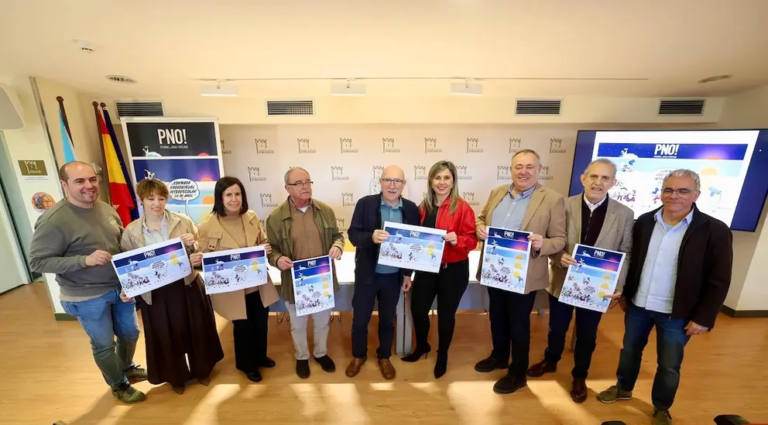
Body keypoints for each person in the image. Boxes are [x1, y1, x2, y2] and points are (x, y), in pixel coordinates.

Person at [598, 169, 733, 425]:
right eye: (668, 189)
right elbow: (633, 261)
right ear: (661, 193)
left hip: (677, 313)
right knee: (629, 352)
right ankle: (623, 388)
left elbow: (719, 280)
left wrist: (703, 317)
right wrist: (626, 293)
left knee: (669, 365)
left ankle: (661, 407)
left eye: (682, 190)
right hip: (639, 305)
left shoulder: (714, 230)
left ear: (696, 195)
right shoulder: (645, 222)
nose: (674, 196)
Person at [28, 161, 147, 403]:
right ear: (64, 185)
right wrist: (84, 260)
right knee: (104, 345)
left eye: (92, 179)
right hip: (86, 296)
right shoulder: (53, 221)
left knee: (131, 334)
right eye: (79, 181)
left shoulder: (105, 208)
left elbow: (120, 243)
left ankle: (126, 368)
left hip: (120, 289)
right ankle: (118, 384)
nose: (89, 186)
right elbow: (38, 263)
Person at [526, 159, 634, 403]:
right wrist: (557, 255)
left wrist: (618, 284)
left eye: (605, 178)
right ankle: (551, 360)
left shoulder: (625, 214)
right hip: (563, 279)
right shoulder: (562, 204)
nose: (598, 182)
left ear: (613, 182)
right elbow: (550, 239)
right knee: (557, 328)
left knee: (587, 334)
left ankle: (579, 375)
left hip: (597, 287)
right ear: (583, 178)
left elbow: (626, 251)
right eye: (594, 176)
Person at [473, 149, 567, 394]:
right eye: (518, 167)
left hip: (523, 275)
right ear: (511, 169)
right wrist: (480, 228)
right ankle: (500, 356)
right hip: (495, 270)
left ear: (539, 169)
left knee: (518, 325)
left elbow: (559, 239)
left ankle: (518, 373)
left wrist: (541, 244)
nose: (523, 172)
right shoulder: (497, 193)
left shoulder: (553, 199)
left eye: (529, 167)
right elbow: (481, 218)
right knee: (497, 318)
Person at [119, 178, 223, 394]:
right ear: (142, 200)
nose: (156, 203)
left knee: (197, 330)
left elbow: (199, 251)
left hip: (187, 285)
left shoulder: (182, 220)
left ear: (167, 199)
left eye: (161, 198)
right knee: (166, 335)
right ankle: (176, 378)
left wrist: (193, 245)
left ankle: (202, 371)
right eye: (151, 199)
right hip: (156, 293)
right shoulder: (131, 231)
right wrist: (127, 287)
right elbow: (129, 265)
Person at [197, 176, 280, 383]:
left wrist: (266, 248)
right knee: (242, 328)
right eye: (228, 195)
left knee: (261, 323)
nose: (234, 199)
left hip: (258, 284)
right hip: (232, 290)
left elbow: (262, 241)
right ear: (220, 197)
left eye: (237, 194)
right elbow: (204, 261)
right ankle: (247, 365)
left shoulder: (250, 217)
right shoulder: (206, 226)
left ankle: (260, 356)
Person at [265, 167, 345, 379]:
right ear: (287, 188)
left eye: (308, 182)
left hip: (321, 279)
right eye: (298, 183)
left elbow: (338, 236)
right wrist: (277, 260)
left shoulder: (325, 210)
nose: (305, 187)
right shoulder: (275, 218)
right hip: (294, 281)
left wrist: (338, 246)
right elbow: (271, 250)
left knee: (322, 322)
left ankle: (321, 353)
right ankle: (302, 357)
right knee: (298, 325)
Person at [400, 160, 478, 379]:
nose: (442, 182)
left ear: (453, 181)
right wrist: (408, 272)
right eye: (438, 177)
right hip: (426, 269)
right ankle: (422, 346)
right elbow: (413, 241)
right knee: (418, 309)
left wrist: (458, 239)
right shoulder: (423, 207)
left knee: (446, 316)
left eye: (447, 178)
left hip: (453, 270)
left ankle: (442, 354)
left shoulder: (463, 207)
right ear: (431, 181)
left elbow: (472, 241)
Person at [345, 165, 420, 380]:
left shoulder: (411, 209)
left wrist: (407, 274)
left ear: (403, 185)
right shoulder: (365, 204)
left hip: (394, 276)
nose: (392, 185)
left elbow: (413, 245)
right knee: (360, 319)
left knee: (388, 320)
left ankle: (384, 356)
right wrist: (370, 237)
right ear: (380, 182)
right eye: (388, 180)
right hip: (368, 274)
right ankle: (358, 356)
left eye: (397, 181)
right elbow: (353, 235)